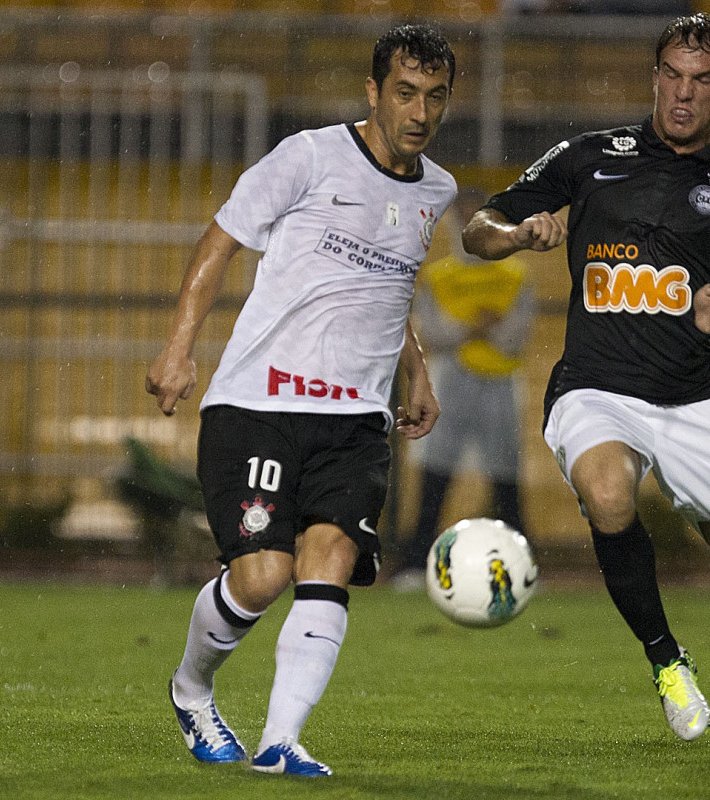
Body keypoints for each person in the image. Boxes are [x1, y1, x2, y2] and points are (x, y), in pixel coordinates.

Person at [462, 12, 710, 761]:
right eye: (671, 74)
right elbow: (481, 225)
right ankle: (668, 662)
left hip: (692, 402)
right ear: (654, 76)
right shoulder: (589, 155)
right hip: (594, 386)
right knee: (606, 494)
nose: (682, 93)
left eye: (701, 80)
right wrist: (512, 236)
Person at [144, 23, 457, 777]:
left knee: (330, 563)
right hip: (260, 403)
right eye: (405, 93)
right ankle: (191, 689)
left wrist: (416, 369)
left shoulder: (437, 190)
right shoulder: (308, 156)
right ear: (374, 92)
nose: (419, 112)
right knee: (260, 577)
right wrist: (179, 346)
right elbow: (218, 242)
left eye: (435, 98)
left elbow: (391, 283)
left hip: (354, 420)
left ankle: (280, 742)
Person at [393, 186, 535, 588]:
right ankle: (414, 563)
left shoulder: (514, 274)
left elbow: (517, 335)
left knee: (506, 479)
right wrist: (477, 327)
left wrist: (467, 332)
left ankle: (522, 563)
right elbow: (431, 333)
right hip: (451, 384)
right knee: (436, 474)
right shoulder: (439, 277)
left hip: (501, 383)